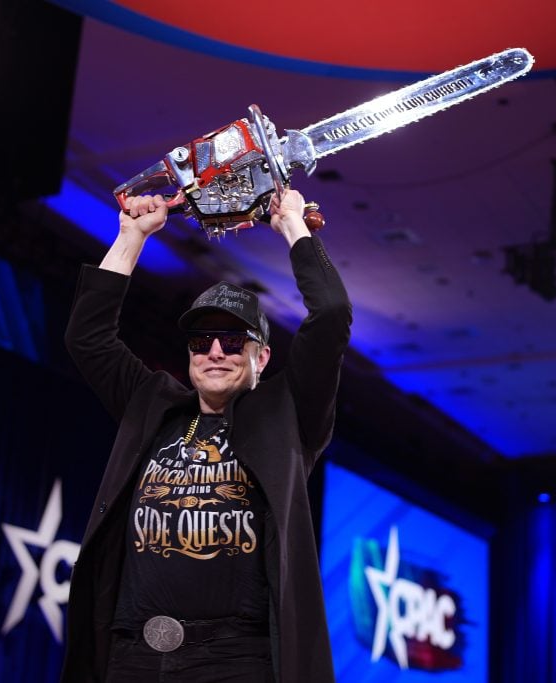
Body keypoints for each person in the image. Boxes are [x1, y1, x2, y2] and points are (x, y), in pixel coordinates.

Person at [61, 188, 351, 682]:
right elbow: (86, 338)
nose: (215, 351)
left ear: (261, 358)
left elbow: (330, 315)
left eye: (234, 340)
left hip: (234, 662)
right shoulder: (151, 404)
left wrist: (291, 224)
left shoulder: (287, 413)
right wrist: (132, 236)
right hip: (132, 656)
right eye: (202, 340)